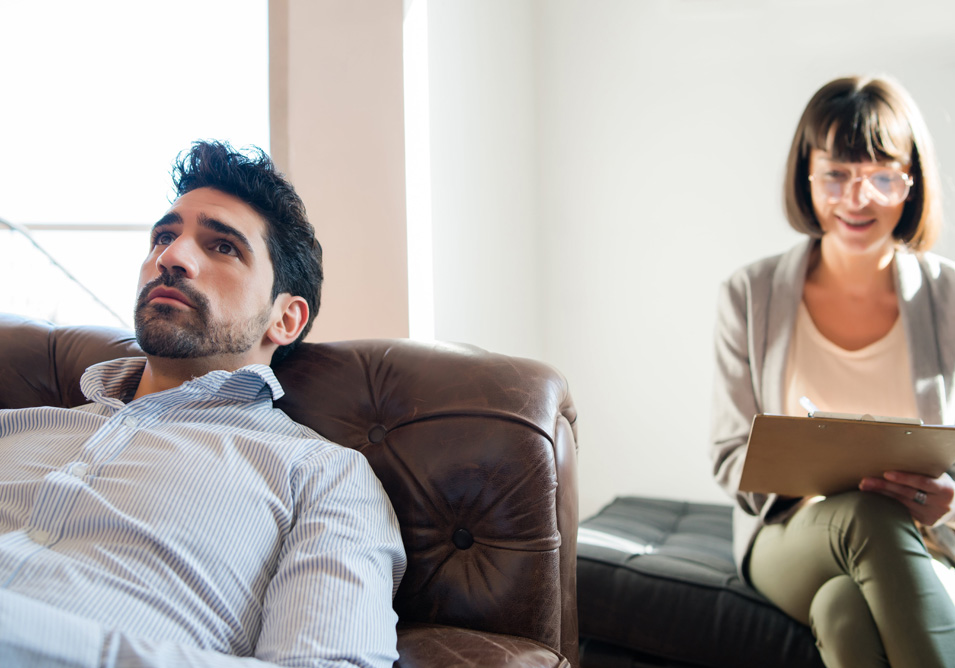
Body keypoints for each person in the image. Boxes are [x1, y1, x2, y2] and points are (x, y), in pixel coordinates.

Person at [0, 140, 407, 667]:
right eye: (164, 237)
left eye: (222, 247)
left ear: (285, 318)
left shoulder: (323, 476)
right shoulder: (15, 428)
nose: (170, 257)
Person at [710, 75, 955, 668]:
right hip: (791, 536)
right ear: (807, 176)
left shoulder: (948, 298)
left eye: (881, 175)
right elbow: (728, 457)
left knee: (843, 611)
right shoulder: (750, 293)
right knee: (867, 514)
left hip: (925, 542)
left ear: (911, 181)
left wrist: (945, 500)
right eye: (837, 174)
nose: (858, 198)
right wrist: (807, 466)